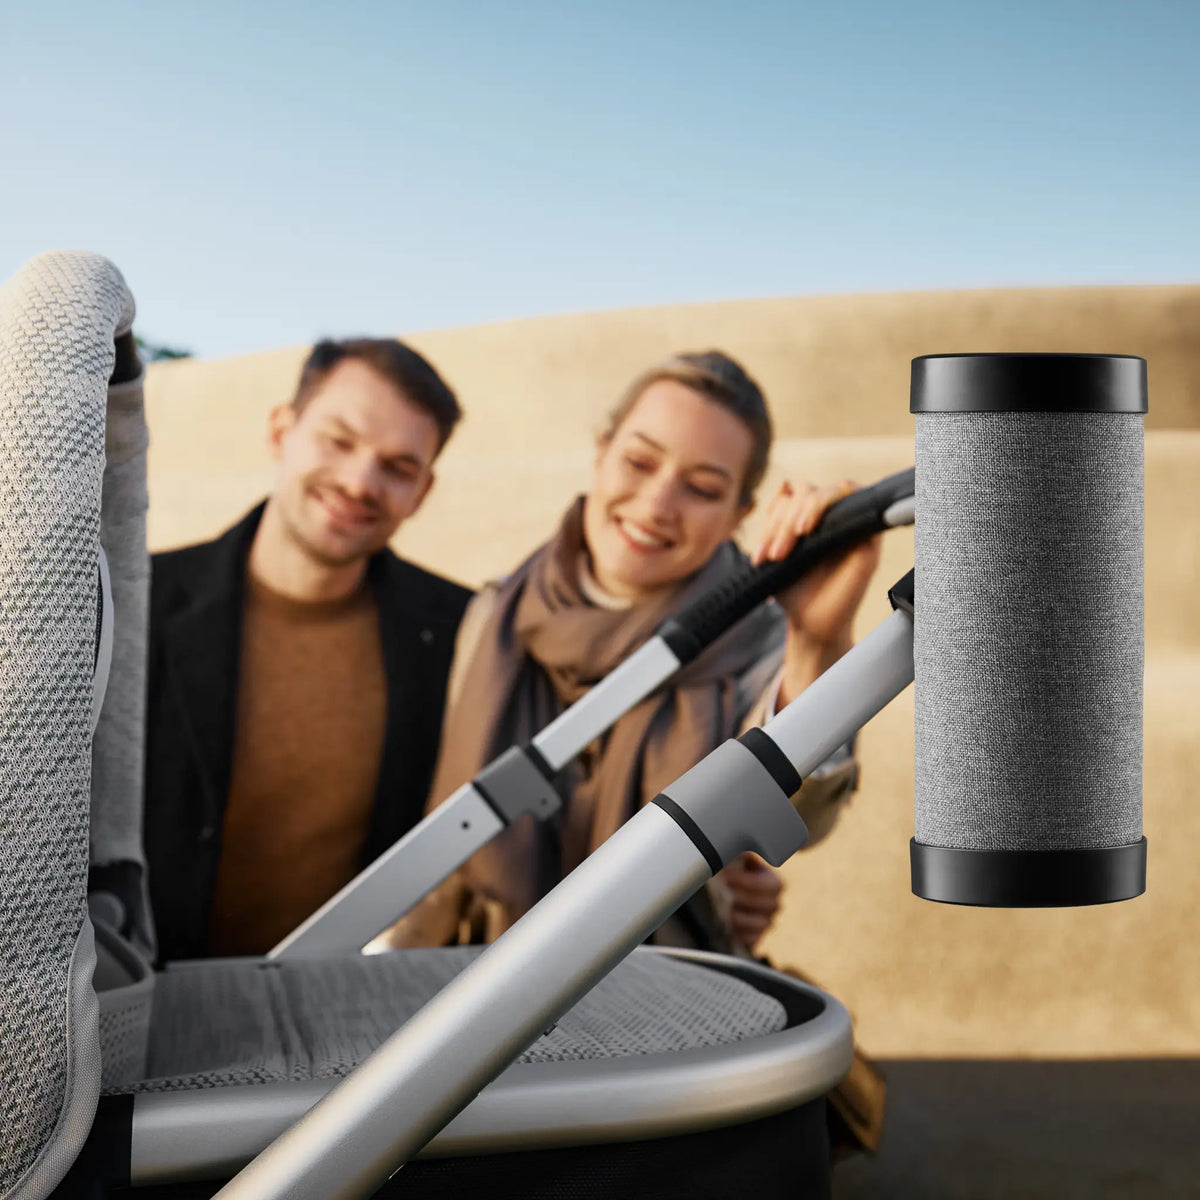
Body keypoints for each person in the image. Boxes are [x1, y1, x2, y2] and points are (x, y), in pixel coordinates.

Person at [377, 349, 881, 956]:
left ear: (738, 516)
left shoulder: (759, 638)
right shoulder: (490, 617)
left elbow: (801, 811)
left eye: (702, 488)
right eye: (639, 462)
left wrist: (817, 641)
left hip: (662, 991)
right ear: (600, 455)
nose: (657, 504)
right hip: (465, 976)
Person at [143, 337, 471, 962]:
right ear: (281, 431)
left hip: (344, 1018)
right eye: (338, 441)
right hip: (141, 1012)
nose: (359, 481)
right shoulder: (137, 603)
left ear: (423, 492)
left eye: (398, 467)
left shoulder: (461, 631)